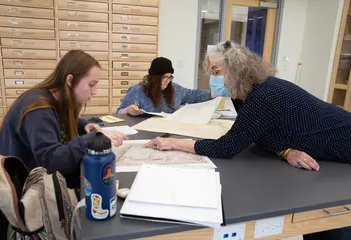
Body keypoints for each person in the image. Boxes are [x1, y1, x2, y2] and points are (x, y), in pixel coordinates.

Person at [144, 41, 351, 240]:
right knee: (318, 221)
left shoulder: (265, 95)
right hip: (326, 157)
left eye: (217, 72)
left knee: (333, 223)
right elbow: (258, 135)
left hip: (345, 142)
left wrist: (173, 143)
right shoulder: (240, 95)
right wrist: (286, 151)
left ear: (236, 69)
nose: (213, 79)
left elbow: (228, 147)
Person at [0, 50, 127, 181]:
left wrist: (84, 125)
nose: (95, 92)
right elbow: (51, 162)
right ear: (70, 80)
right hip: (17, 185)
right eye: (91, 85)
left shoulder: (53, 97)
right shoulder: (38, 110)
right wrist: (91, 139)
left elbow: (58, 118)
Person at [116, 57, 216, 115]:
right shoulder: (137, 91)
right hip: (145, 133)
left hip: (169, 133)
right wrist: (127, 110)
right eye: (164, 77)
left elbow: (194, 95)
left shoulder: (175, 89)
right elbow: (118, 113)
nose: (168, 81)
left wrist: (214, 93)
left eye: (170, 77)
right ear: (154, 77)